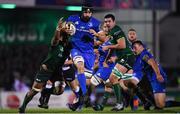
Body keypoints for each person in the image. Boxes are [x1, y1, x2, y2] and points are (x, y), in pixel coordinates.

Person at [19, 18, 72, 113]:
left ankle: (45, 92)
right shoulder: (56, 42)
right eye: (66, 27)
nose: (68, 28)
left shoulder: (68, 45)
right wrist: (58, 29)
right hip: (46, 69)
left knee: (60, 91)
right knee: (34, 91)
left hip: (58, 71)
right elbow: (56, 38)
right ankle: (23, 107)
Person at [65, 5, 101, 111]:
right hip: (76, 50)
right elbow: (65, 28)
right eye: (85, 12)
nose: (88, 15)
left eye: (90, 13)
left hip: (89, 53)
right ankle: (84, 96)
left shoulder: (96, 23)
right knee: (80, 67)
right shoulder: (73, 19)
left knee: (86, 82)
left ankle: (79, 103)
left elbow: (102, 38)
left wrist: (96, 35)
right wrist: (65, 30)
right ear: (82, 12)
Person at [101, 14, 135, 111]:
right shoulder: (111, 32)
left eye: (109, 21)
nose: (107, 23)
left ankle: (121, 103)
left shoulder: (117, 30)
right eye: (106, 21)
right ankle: (128, 100)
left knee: (113, 78)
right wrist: (106, 59)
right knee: (116, 80)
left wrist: (107, 47)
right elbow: (113, 47)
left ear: (114, 21)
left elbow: (122, 45)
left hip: (127, 57)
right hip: (123, 58)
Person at [132, 40, 167, 109]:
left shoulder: (144, 54)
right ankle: (149, 102)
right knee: (141, 87)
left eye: (135, 47)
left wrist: (158, 75)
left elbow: (153, 63)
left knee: (160, 105)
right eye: (133, 48)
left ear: (141, 46)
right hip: (151, 77)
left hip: (156, 77)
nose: (134, 50)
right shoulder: (140, 56)